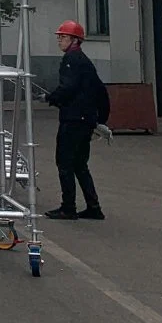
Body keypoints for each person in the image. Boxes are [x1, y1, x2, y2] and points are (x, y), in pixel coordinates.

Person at [44, 20, 106, 221]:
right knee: (80, 164)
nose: (59, 40)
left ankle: (68, 207)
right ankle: (93, 207)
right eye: (59, 37)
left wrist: (51, 97)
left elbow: (68, 87)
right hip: (85, 120)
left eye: (62, 37)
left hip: (73, 120)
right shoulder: (85, 61)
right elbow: (101, 91)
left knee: (64, 163)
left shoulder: (71, 59)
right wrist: (101, 119)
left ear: (75, 40)